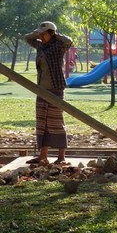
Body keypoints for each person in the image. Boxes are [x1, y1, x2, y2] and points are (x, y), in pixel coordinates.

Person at [24, 21, 73, 165]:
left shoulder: (58, 46)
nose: (40, 36)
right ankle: (42, 156)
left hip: (55, 89)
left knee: (56, 122)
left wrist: (54, 34)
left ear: (51, 33)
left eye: (43, 34)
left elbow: (69, 41)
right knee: (42, 122)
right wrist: (38, 32)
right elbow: (28, 38)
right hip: (41, 89)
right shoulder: (40, 45)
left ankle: (61, 157)